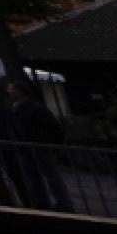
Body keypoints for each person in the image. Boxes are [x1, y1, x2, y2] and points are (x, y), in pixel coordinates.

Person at [7, 80, 75, 210]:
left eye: (11, 89)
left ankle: (56, 203)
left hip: (35, 145)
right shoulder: (31, 107)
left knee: (44, 175)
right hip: (33, 145)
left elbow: (51, 127)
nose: (9, 92)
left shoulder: (29, 109)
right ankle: (53, 202)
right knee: (40, 175)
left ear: (20, 92)